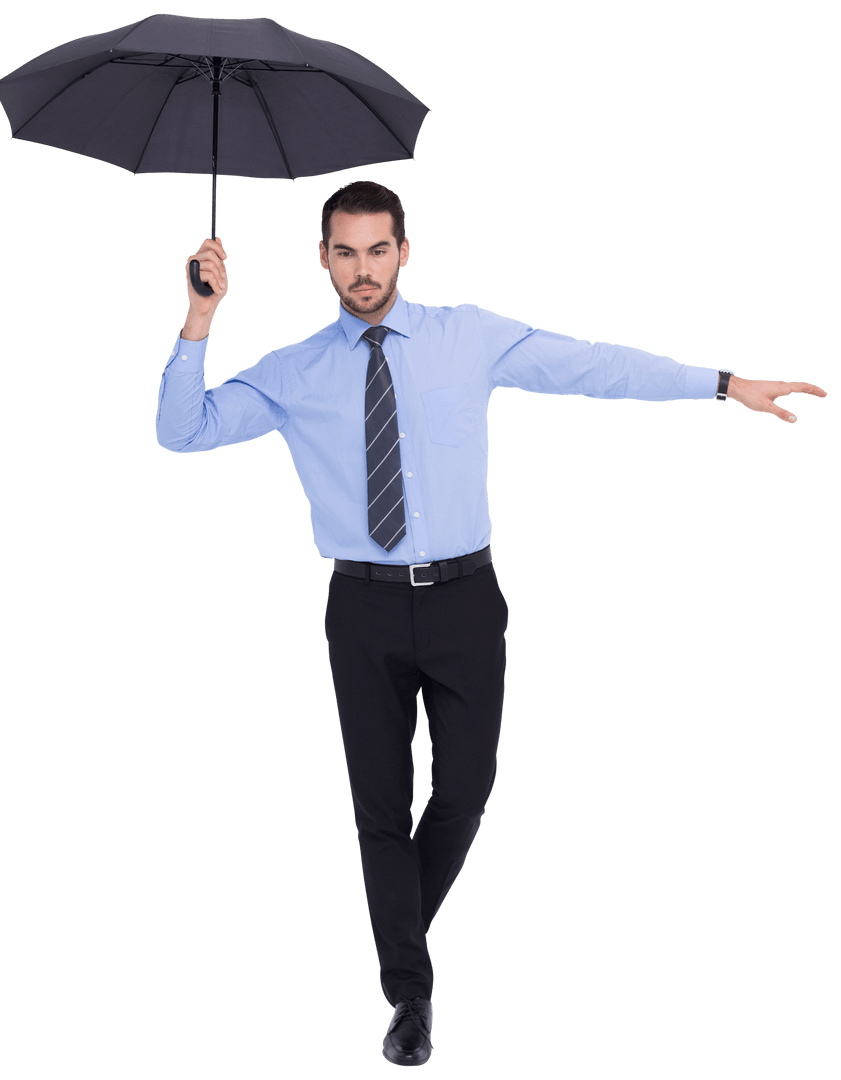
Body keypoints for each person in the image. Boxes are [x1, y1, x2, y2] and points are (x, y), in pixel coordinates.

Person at [154, 179, 826, 1068]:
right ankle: (410, 994)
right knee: (378, 812)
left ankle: (398, 942)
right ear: (321, 258)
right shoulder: (292, 369)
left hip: (467, 598)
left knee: (465, 795)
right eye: (345, 252)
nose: (363, 270)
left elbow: (593, 365)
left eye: (378, 249)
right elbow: (182, 430)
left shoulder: (466, 336)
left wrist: (721, 384)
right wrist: (198, 320)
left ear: (404, 251)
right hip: (359, 606)